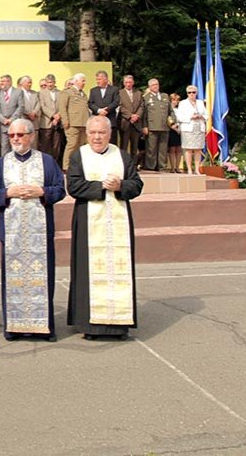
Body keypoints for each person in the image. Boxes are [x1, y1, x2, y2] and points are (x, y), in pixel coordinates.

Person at [0, 119, 65, 342]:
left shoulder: (47, 161)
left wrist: (41, 191)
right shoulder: (1, 163)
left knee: (43, 278)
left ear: (31, 136)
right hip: (12, 233)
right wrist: (8, 192)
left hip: (40, 232)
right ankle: (14, 327)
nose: (16, 139)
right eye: (12, 136)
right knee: (13, 280)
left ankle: (44, 327)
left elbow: (60, 190)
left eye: (20, 135)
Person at [66, 116, 143, 340]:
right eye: (93, 133)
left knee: (119, 271)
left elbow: (136, 184)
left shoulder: (122, 155)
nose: (97, 137)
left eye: (101, 133)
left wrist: (120, 186)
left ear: (109, 134)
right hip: (88, 223)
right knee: (87, 271)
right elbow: (73, 186)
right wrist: (100, 186)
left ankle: (119, 325)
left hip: (118, 223)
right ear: (87, 133)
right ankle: (89, 325)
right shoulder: (79, 155)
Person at [59, 73, 90, 171]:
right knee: (71, 145)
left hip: (83, 123)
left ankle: (77, 166)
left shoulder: (83, 93)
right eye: (83, 81)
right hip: (72, 123)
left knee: (81, 146)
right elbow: (62, 107)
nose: (84, 83)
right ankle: (66, 167)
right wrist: (65, 121)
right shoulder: (67, 92)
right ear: (76, 81)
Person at [176, 87, 208, 175]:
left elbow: (207, 115)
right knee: (188, 149)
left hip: (199, 128)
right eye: (189, 92)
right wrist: (190, 117)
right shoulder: (183, 103)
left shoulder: (200, 103)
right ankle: (189, 169)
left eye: (193, 92)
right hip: (188, 128)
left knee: (198, 149)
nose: (191, 94)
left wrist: (202, 116)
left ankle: (197, 169)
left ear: (196, 93)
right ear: (187, 93)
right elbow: (179, 117)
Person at [142, 79, 171, 171]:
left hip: (164, 127)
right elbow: (144, 114)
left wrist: (173, 120)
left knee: (163, 149)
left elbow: (170, 111)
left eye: (157, 84)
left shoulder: (165, 96)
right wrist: (144, 126)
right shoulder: (146, 98)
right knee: (151, 149)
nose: (155, 86)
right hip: (152, 126)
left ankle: (162, 167)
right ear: (149, 87)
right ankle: (151, 167)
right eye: (153, 85)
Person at [116, 75, 144, 160]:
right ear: (124, 83)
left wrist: (137, 116)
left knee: (134, 146)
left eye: (130, 82)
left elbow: (142, 106)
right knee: (124, 145)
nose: (128, 84)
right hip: (125, 122)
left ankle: (134, 164)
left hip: (136, 123)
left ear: (133, 83)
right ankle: (124, 163)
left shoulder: (138, 93)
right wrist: (130, 116)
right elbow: (120, 106)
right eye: (126, 82)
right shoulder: (119, 93)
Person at [0, 74, 24, 157]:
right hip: (3, 124)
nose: (1, 83)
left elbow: (20, 107)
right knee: (4, 147)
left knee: (15, 145)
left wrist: (11, 119)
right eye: (1, 81)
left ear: (10, 82)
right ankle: (5, 166)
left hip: (14, 124)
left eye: (4, 81)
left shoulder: (18, 92)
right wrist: (2, 119)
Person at [88, 71, 120, 142]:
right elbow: (90, 103)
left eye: (99, 79)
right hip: (98, 120)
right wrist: (99, 110)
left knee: (112, 142)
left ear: (105, 79)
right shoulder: (93, 90)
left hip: (110, 120)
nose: (97, 81)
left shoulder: (114, 89)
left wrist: (106, 110)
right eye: (97, 79)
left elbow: (116, 102)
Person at [37, 74, 62, 164]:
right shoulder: (41, 93)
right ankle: (45, 164)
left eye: (51, 82)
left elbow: (62, 106)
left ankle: (55, 164)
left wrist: (58, 116)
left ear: (54, 82)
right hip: (46, 123)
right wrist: (52, 115)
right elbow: (43, 106)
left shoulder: (60, 92)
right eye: (48, 82)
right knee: (45, 145)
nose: (49, 84)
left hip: (58, 122)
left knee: (56, 145)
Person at [17, 76, 41, 151]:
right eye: (28, 82)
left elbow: (38, 104)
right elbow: (19, 105)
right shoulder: (18, 93)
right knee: (23, 142)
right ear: (22, 83)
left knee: (34, 144)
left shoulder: (34, 93)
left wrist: (34, 112)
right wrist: (28, 113)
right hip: (23, 120)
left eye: (31, 82)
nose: (30, 84)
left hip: (34, 122)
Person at [167, 92, 184, 172]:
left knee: (179, 149)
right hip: (171, 130)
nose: (175, 102)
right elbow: (168, 120)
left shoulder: (180, 110)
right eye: (173, 100)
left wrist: (179, 129)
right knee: (172, 149)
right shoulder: (168, 109)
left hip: (180, 130)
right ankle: (172, 167)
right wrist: (174, 128)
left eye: (177, 100)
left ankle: (177, 167)